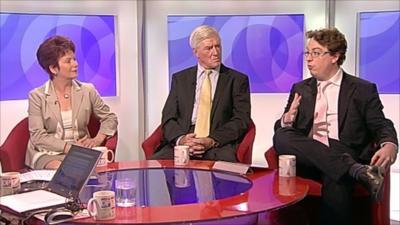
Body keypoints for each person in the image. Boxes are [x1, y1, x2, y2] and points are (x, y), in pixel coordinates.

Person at [273, 28, 398, 225]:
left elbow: (381, 124)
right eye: (307, 52)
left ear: (334, 56)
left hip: (343, 151)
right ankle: (357, 170)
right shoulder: (300, 88)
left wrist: (390, 143)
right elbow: (284, 131)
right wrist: (286, 120)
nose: (308, 59)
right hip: (308, 157)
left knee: (337, 177)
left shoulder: (362, 89)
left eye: (315, 52)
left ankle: (349, 169)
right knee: (281, 135)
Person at [151, 25, 251, 162]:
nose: (216, 52)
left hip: (217, 142)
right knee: (154, 166)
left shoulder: (237, 80)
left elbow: (241, 120)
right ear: (196, 52)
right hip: (185, 139)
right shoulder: (180, 79)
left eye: (218, 46)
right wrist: (182, 140)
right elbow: (168, 117)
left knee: (226, 171)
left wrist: (211, 140)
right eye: (209, 48)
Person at [26, 35, 118, 169]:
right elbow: (38, 136)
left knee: (77, 170)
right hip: (48, 153)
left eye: (74, 59)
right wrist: (68, 147)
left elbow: (110, 118)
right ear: (53, 68)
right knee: (63, 170)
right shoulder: (37, 96)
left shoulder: (87, 90)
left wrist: (97, 139)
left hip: (81, 152)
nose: (75, 64)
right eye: (68, 61)